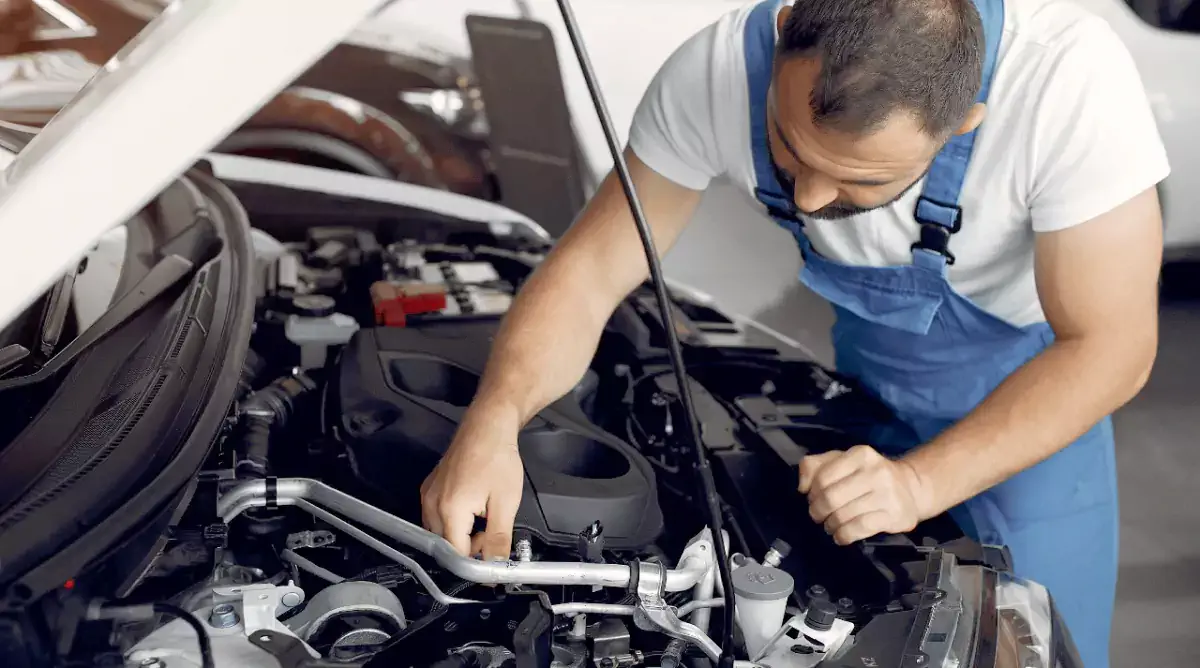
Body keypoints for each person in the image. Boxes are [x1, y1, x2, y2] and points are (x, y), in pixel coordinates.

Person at [420, 0, 1167, 665]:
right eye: (788, 144)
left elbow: (1111, 348)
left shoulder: (1067, 84)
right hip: (867, 381)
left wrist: (917, 482)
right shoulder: (715, 69)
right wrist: (495, 418)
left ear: (965, 121)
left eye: (861, 183)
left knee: (1024, 637)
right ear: (784, 32)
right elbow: (588, 272)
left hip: (1034, 407)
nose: (808, 197)